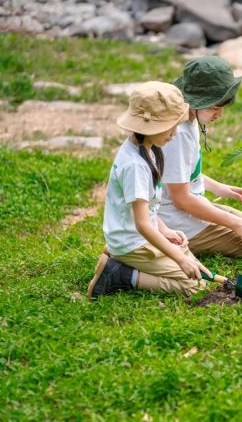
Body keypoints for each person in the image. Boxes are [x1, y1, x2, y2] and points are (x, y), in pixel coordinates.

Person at [88, 81, 212, 299]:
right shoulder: (135, 165)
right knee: (195, 286)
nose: (175, 133)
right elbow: (142, 224)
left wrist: (165, 230)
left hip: (140, 238)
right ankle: (121, 274)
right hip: (133, 243)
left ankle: (122, 263)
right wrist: (180, 259)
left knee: (196, 268)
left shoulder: (148, 148)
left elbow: (150, 209)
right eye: (170, 126)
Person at [159, 56, 242, 258]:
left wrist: (220, 188)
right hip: (173, 218)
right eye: (214, 107)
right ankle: (167, 243)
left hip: (187, 207)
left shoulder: (189, 119)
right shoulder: (179, 134)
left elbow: (181, 175)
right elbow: (181, 199)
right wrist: (235, 223)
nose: (219, 114)